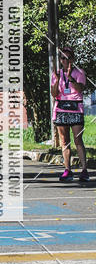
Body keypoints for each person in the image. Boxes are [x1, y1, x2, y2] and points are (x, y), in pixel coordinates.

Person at [51, 47, 89, 182]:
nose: (65, 61)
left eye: (68, 58)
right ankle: (68, 169)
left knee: (78, 140)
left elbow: (80, 89)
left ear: (72, 59)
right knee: (64, 141)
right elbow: (54, 93)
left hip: (76, 108)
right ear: (60, 60)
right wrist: (56, 80)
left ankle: (84, 170)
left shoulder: (79, 72)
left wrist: (70, 78)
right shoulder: (57, 73)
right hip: (61, 108)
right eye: (62, 58)